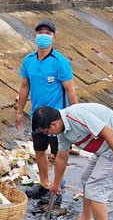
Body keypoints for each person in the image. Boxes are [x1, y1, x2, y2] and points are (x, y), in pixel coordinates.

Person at [32, 103, 113, 220]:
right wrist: (56, 183)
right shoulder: (62, 132)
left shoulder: (76, 116)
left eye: (47, 131)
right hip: (103, 151)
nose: (49, 135)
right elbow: (62, 157)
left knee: (95, 189)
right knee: (86, 179)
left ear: (54, 124)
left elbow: (110, 133)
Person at [15, 19, 78, 204]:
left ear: (54, 37)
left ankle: (56, 187)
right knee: (39, 149)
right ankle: (44, 183)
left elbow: (70, 90)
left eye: (48, 33)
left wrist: (74, 115)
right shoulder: (28, 60)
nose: (44, 36)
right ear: (35, 36)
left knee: (59, 153)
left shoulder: (60, 62)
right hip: (37, 115)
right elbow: (24, 86)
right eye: (40, 32)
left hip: (58, 117)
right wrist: (19, 111)